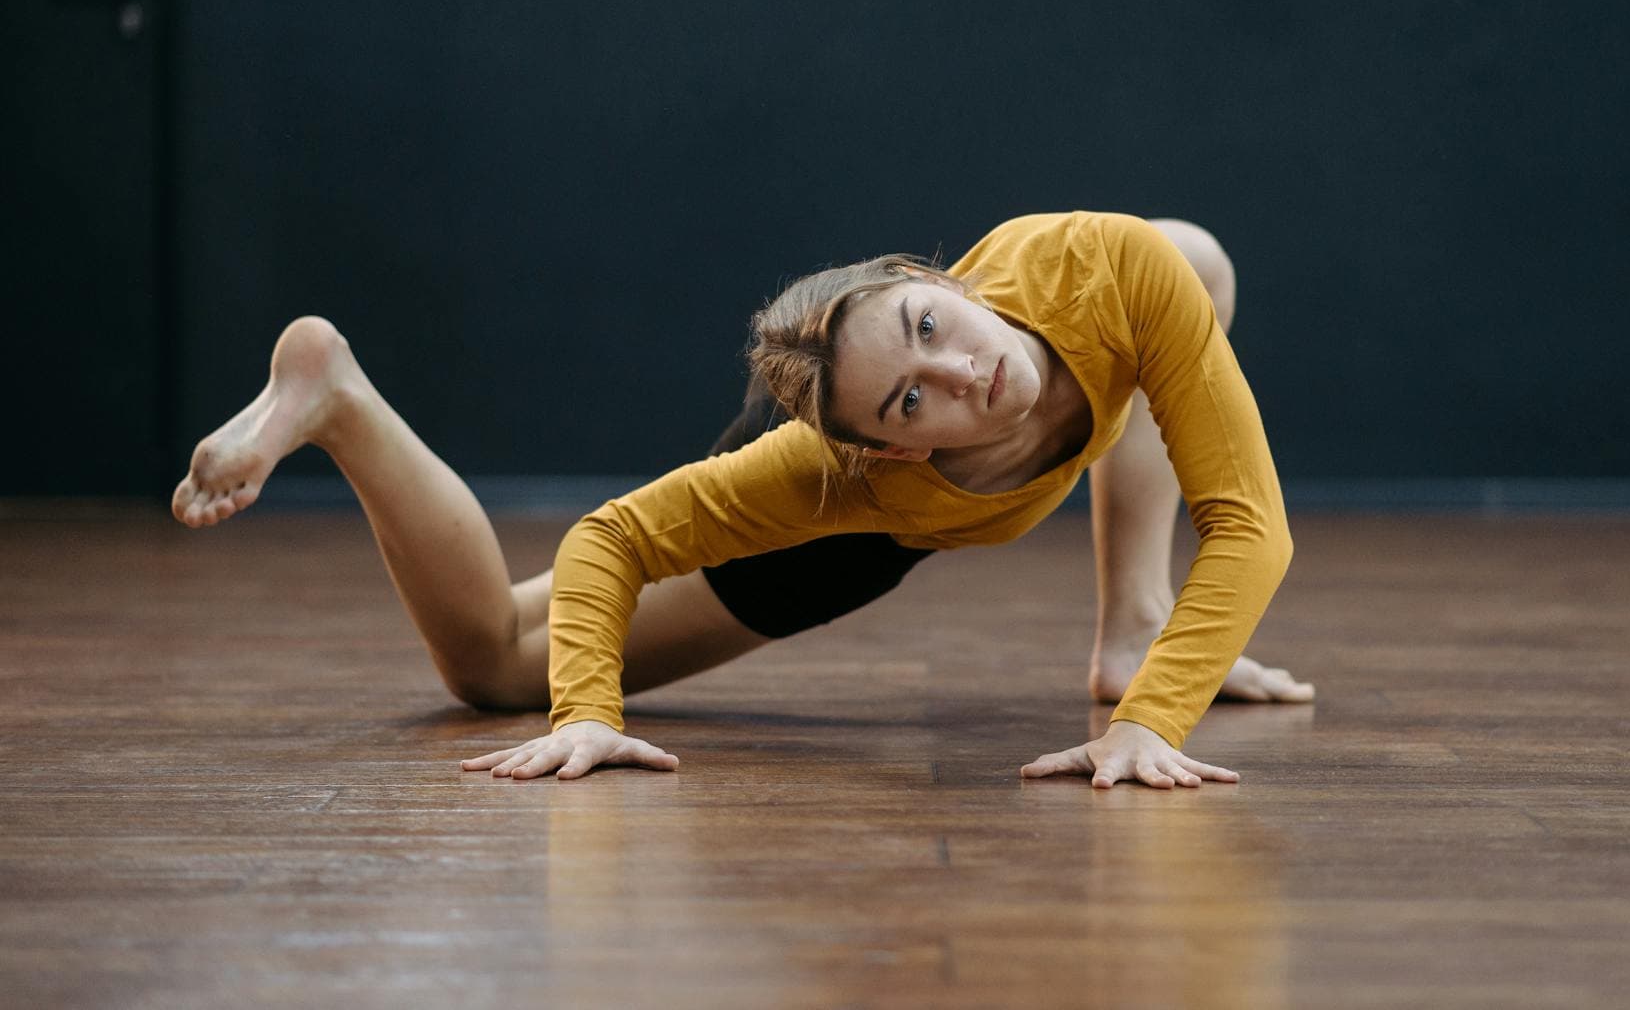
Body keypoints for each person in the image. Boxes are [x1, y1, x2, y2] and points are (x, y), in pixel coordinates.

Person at [172, 211, 1310, 790]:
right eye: (914, 400)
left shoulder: (1109, 271)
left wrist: (1149, 713)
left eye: (932, 330)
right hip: (840, 508)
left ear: (932, 280)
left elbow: (1250, 524)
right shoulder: (834, 477)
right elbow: (610, 536)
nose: (966, 374)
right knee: (489, 663)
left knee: (1193, 255)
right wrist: (587, 715)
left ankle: (1132, 624)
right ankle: (341, 398)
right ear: (891, 448)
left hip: (897, 378)